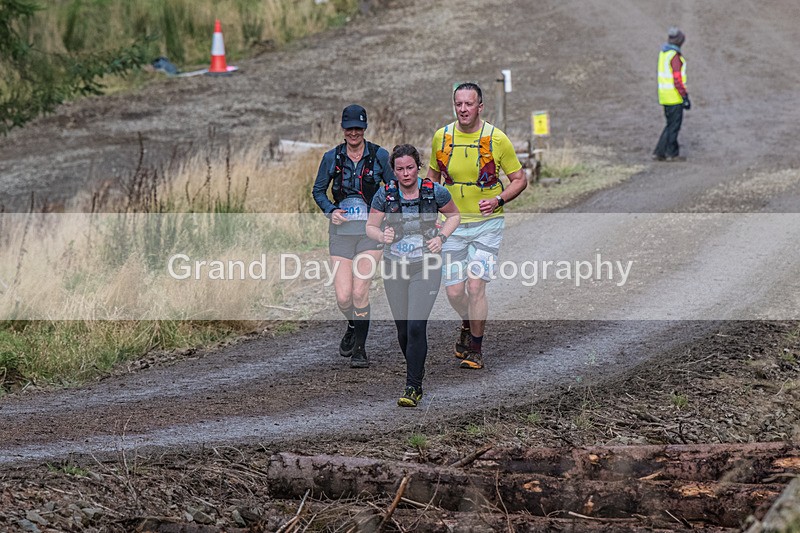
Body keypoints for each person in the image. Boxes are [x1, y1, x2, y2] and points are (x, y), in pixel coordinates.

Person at [426, 82, 527, 370]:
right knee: (455, 292)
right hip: (452, 224)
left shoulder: (496, 139)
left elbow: (520, 179)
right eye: (458, 104)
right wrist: (432, 208)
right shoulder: (441, 137)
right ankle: (468, 324)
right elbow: (432, 179)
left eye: (469, 104)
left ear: (480, 106)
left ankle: (476, 350)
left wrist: (498, 199)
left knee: (475, 286)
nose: (463, 109)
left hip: (487, 224)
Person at [366, 144, 460, 407]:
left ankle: (413, 386)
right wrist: (381, 235)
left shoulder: (434, 191)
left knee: (417, 326)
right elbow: (371, 227)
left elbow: (454, 215)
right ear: (393, 171)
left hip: (426, 266)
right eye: (400, 169)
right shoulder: (384, 195)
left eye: (409, 168)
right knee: (404, 330)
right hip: (394, 266)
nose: (405, 174)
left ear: (417, 167)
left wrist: (442, 237)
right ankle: (416, 369)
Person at [312, 104, 394, 368]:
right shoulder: (331, 158)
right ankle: (351, 323)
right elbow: (318, 191)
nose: (354, 132)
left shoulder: (380, 155)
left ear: (365, 128)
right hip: (341, 233)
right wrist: (330, 210)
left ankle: (360, 349)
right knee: (344, 297)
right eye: (349, 128)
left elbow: (394, 189)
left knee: (360, 291)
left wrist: (385, 218)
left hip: (371, 233)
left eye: (358, 127)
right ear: (343, 129)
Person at [653, 27, 690, 162]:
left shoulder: (664, 54)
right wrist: (684, 96)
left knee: (670, 125)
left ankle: (659, 152)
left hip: (664, 95)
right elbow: (677, 79)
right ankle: (671, 153)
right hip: (674, 96)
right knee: (674, 126)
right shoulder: (675, 57)